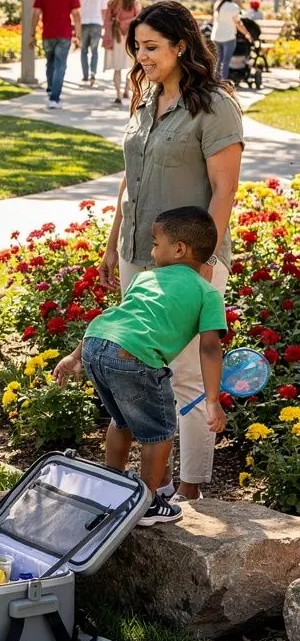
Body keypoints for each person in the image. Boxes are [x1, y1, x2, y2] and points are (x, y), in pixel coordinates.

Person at [98, 0, 244, 502]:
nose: (142, 56)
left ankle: (190, 487)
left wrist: (202, 265)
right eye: (137, 46)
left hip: (188, 262)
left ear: (181, 46)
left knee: (185, 375)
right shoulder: (146, 98)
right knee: (139, 368)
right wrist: (111, 241)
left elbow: (224, 190)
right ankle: (143, 488)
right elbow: (130, 179)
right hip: (137, 253)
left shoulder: (214, 106)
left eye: (153, 47)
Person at [54, 206, 227, 524]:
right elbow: (211, 348)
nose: (151, 250)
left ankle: (111, 485)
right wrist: (213, 401)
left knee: (122, 422)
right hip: (134, 357)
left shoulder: (145, 278)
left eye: (155, 243)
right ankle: (146, 502)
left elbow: (119, 319)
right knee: (160, 432)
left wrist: (75, 355)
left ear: (178, 250)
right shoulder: (207, 292)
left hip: (96, 343)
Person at [28, 0, 81, 107]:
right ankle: (54, 98)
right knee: (60, 66)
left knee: (50, 63)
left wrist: (32, 32)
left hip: (48, 34)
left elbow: (36, 13)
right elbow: (76, 15)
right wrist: (79, 36)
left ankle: (51, 89)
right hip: (64, 34)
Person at [103, 0, 140, 106]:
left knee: (117, 68)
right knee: (131, 66)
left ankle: (118, 94)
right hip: (130, 36)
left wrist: (107, 36)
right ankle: (126, 91)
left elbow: (106, 20)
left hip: (116, 36)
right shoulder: (134, 1)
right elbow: (139, 19)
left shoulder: (112, 1)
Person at [211, 0, 253, 81]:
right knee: (226, 61)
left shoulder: (218, 5)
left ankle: (214, 81)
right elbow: (238, 23)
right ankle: (223, 82)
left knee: (218, 60)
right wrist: (247, 33)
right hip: (228, 37)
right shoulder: (233, 7)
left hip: (216, 36)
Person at [76, 0, 108, 86]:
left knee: (83, 50)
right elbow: (104, 9)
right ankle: (93, 74)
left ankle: (85, 76)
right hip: (96, 23)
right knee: (95, 51)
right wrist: (105, 24)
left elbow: (76, 9)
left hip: (83, 23)